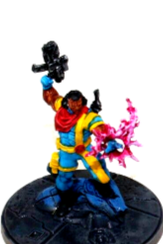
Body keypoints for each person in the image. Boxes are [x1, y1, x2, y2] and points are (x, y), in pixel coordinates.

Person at [40, 75, 126, 216]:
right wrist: (46, 86)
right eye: (73, 104)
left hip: (86, 150)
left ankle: (107, 194)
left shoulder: (88, 116)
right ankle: (66, 202)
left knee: (100, 173)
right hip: (66, 152)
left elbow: (100, 129)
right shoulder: (61, 109)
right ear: (68, 102)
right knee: (63, 178)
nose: (76, 107)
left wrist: (108, 140)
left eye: (79, 104)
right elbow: (52, 98)